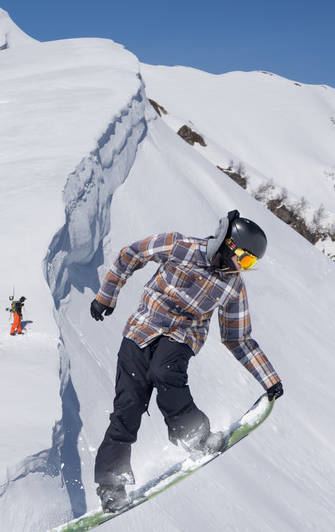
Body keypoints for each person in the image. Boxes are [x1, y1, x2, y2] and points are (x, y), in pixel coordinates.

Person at [90, 210, 284, 512]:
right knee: (127, 407)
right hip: (142, 329)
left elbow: (238, 337)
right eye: (244, 259)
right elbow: (131, 254)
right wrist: (106, 296)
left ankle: (196, 436)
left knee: (165, 371)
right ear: (227, 243)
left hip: (182, 336)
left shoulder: (232, 286)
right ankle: (111, 485)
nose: (243, 268)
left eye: (250, 264)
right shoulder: (179, 246)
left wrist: (269, 379)